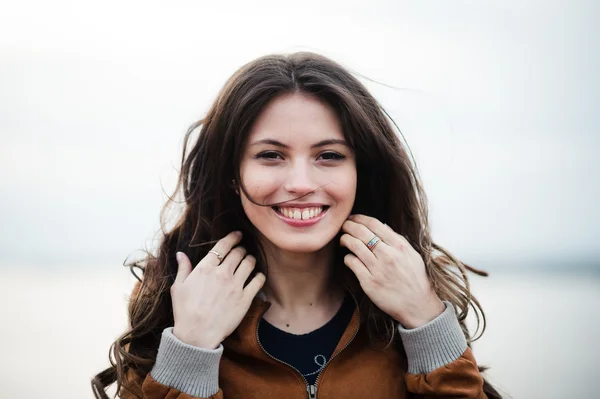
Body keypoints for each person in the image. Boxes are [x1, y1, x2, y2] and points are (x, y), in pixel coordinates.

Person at [92, 51, 502, 399]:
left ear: (363, 171)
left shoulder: (412, 303)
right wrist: (191, 351)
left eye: (329, 156)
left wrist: (428, 322)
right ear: (231, 176)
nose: (302, 185)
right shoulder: (177, 308)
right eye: (271, 156)